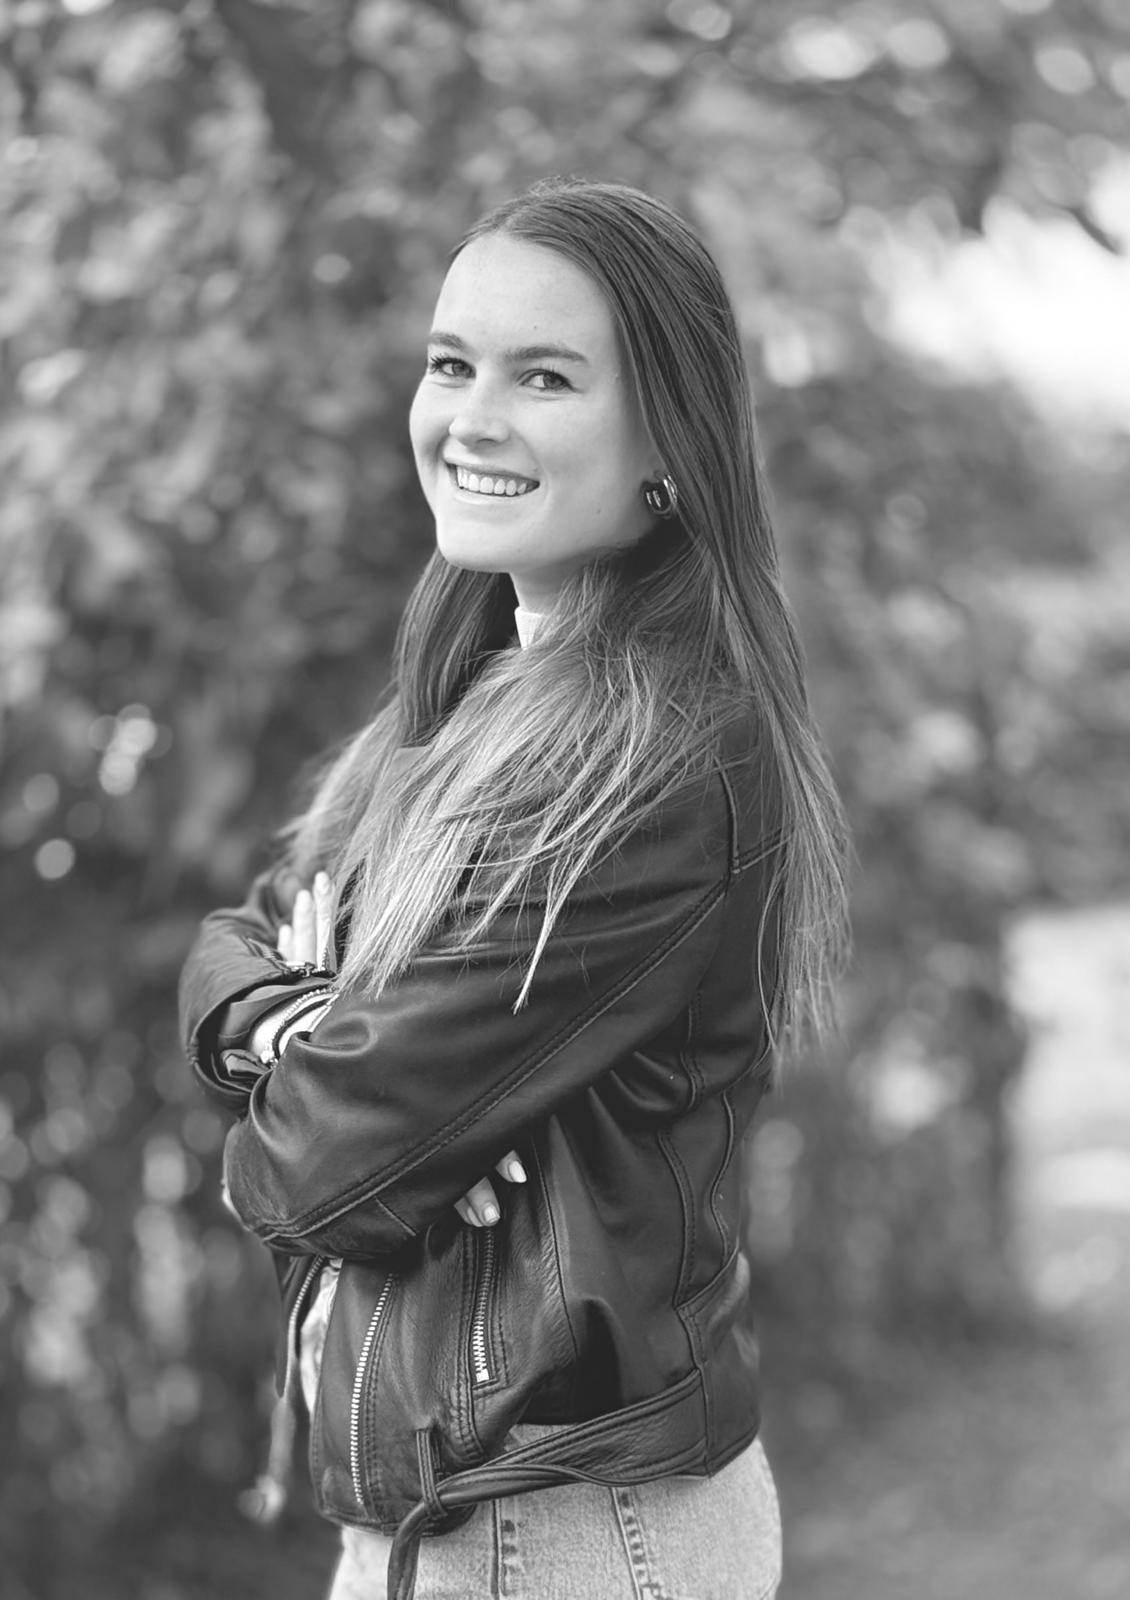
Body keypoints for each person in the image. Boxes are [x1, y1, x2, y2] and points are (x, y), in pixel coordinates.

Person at [179, 178, 850, 1600]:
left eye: (543, 377)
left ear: (668, 440)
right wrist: (303, 1031)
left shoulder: (656, 759)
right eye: (451, 364)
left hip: (559, 1531)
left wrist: (325, 1068)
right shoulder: (469, 697)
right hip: (457, 1518)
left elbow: (315, 1172)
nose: (470, 419)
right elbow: (238, 934)